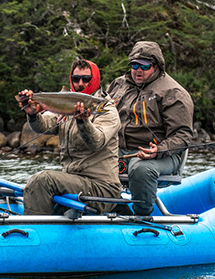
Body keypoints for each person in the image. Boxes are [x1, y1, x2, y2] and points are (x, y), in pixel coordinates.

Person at [16, 59, 122, 215]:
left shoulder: (107, 109)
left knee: (43, 180)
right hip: (74, 182)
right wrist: (32, 114)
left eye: (86, 79)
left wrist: (83, 121)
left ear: (95, 80)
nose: (80, 83)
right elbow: (43, 125)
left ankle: (34, 233)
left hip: (102, 188)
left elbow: (96, 142)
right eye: (76, 79)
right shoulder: (67, 103)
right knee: (41, 183)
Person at [107, 41, 194, 215]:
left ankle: (142, 215)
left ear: (156, 66)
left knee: (141, 168)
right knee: (89, 161)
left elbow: (183, 135)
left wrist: (159, 150)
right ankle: (116, 209)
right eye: (134, 64)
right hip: (119, 151)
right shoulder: (118, 84)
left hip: (163, 156)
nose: (138, 70)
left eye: (144, 66)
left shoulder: (174, 93)